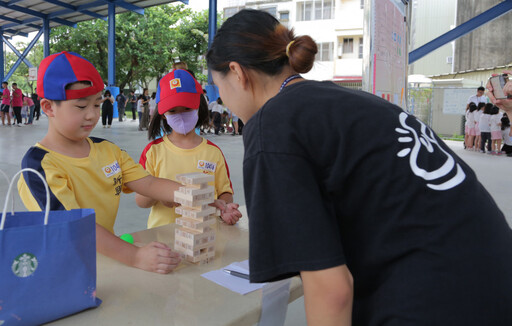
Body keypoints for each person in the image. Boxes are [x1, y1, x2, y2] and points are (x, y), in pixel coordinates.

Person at [206, 9, 512, 325]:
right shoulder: (347, 102)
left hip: (438, 299)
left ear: (237, 72)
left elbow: (331, 291)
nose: (224, 100)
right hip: (495, 277)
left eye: (219, 86)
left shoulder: (272, 124)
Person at [17, 51, 182, 274]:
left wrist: (200, 198)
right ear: (48, 107)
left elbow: (150, 185)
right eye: (81, 106)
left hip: (107, 257)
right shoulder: (39, 166)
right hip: (65, 269)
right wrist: (135, 256)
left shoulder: (108, 150)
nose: (92, 115)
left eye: (96, 104)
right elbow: (75, 225)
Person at [135, 69, 242, 228]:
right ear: (163, 114)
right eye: (173, 111)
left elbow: (225, 193)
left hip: (205, 234)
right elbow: (140, 201)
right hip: (162, 238)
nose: (181, 115)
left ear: (198, 106)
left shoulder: (213, 152)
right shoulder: (153, 152)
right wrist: (160, 194)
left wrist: (224, 208)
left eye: (187, 108)